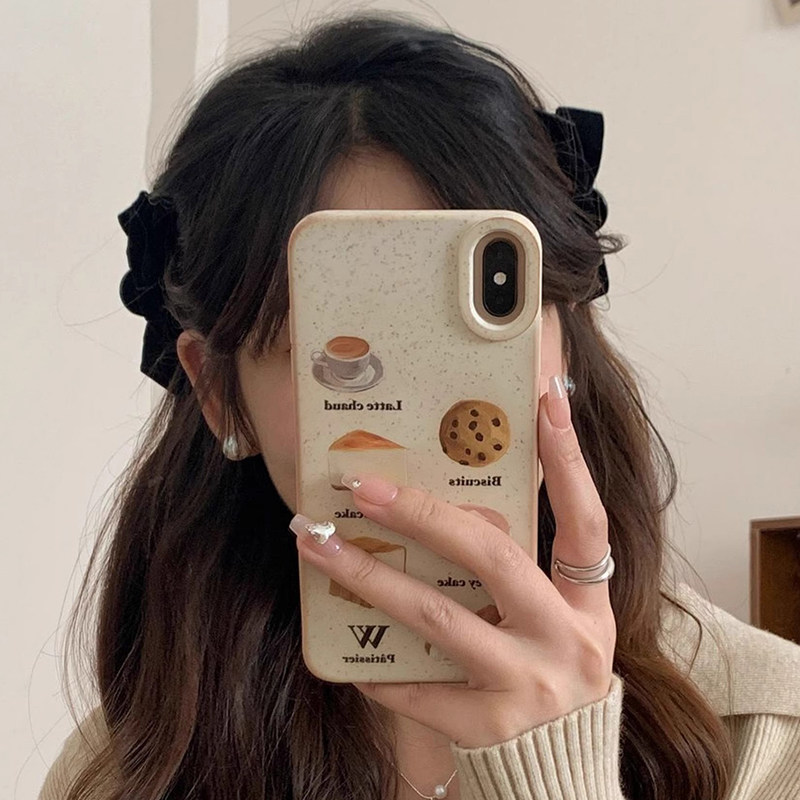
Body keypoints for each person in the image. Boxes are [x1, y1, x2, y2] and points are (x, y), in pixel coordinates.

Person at [38, 11, 800, 800]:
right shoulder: (129, 769)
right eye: (329, 340)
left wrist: (556, 767)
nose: (414, 410)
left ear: (564, 340)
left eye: (472, 333)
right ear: (217, 395)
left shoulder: (768, 736)